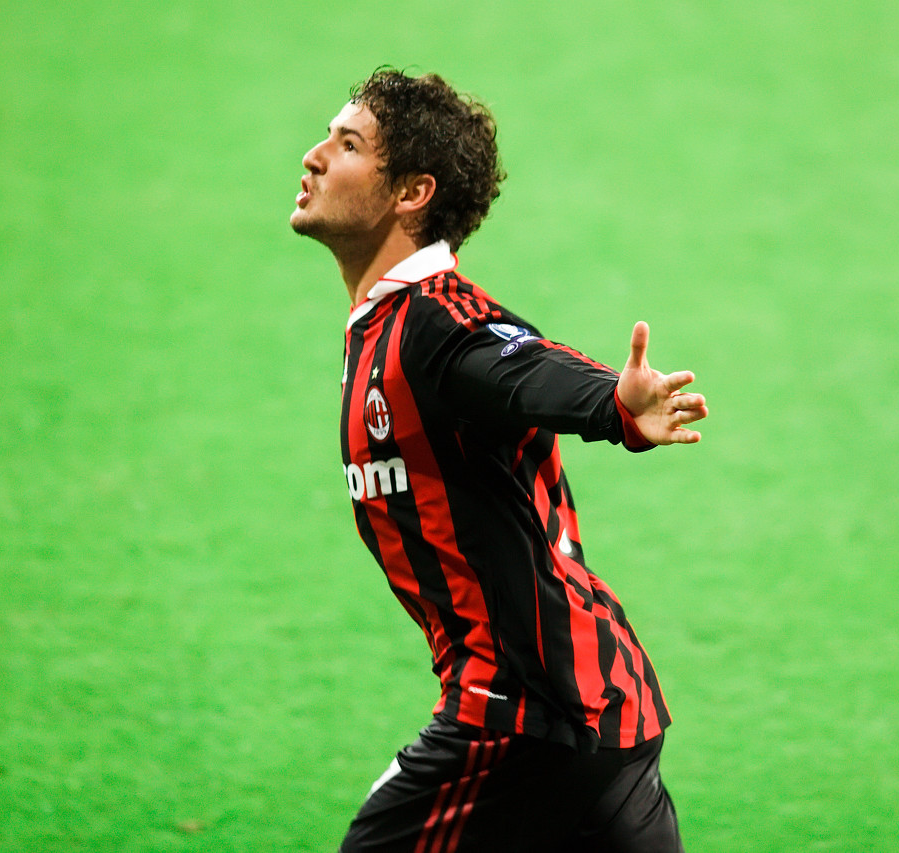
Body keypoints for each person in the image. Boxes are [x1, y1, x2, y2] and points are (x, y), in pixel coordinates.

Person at [290, 67, 708, 853]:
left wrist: (615, 405)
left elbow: (520, 369)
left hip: (524, 715)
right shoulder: (384, 325)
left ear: (412, 192)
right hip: (603, 706)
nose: (313, 155)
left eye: (347, 145)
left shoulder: (436, 323)